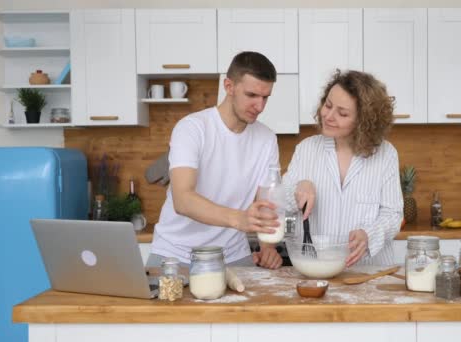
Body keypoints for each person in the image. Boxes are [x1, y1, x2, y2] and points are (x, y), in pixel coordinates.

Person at [148, 51, 283, 269]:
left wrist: (267, 246)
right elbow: (183, 200)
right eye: (251, 95)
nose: (260, 106)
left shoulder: (266, 139)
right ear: (229, 86)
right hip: (176, 254)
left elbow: (265, 203)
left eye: (265, 97)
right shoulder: (192, 128)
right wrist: (239, 219)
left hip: (234, 255)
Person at [283, 70, 403, 266]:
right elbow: (283, 210)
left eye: (343, 113)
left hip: (368, 273)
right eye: (328, 105)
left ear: (363, 121)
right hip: (316, 268)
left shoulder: (386, 154)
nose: (328, 116)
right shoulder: (306, 149)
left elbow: (393, 214)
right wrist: (296, 191)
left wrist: (368, 235)